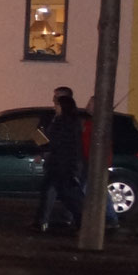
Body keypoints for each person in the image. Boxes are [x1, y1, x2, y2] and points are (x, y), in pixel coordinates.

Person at [33, 87, 85, 233]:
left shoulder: (64, 123)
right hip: (59, 164)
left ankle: (80, 221)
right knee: (60, 193)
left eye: (57, 103)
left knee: (68, 195)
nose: (54, 105)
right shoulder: (66, 122)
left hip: (62, 165)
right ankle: (44, 221)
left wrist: (44, 144)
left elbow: (57, 143)